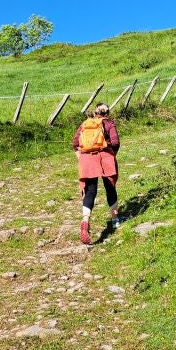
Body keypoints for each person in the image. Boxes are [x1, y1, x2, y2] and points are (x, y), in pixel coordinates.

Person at [72, 103, 122, 244]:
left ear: (95, 112)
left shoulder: (85, 123)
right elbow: (116, 142)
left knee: (90, 191)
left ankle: (85, 220)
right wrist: (111, 155)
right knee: (110, 187)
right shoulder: (109, 123)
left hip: (87, 159)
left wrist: (81, 158)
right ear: (107, 113)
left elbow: (75, 144)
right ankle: (115, 220)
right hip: (105, 157)